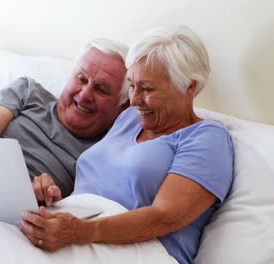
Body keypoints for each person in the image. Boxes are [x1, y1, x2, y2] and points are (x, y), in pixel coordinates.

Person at [19, 25, 234, 264]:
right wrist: (50, 196)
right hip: (76, 233)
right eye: (132, 85)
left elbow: (165, 217)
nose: (134, 99)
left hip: (140, 250)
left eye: (148, 88)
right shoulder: (129, 117)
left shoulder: (207, 138)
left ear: (189, 87)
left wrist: (79, 231)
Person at [0, 39, 130, 197]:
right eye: (81, 79)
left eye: (101, 89)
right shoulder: (28, 91)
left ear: (122, 107)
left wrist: (49, 196)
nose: (85, 94)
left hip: (17, 213)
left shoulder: (104, 154)